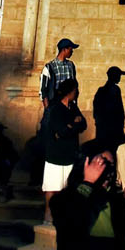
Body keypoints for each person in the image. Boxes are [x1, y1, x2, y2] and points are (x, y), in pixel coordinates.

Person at [51, 147, 125, 250]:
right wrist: (88, 182)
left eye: (111, 166)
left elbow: (122, 245)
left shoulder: (118, 202)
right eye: (102, 164)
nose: (108, 171)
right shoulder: (63, 199)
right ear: (85, 165)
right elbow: (68, 222)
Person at [38, 81, 87, 228]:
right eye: (76, 90)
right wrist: (73, 124)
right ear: (70, 91)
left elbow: (83, 124)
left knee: (68, 188)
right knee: (52, 188)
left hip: (70, 154)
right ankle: (48, 215)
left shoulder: (73, 107)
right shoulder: (56, 109)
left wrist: (71, 125)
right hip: (55, 154)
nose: (77, 92)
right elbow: (60, 131)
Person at [92, 67, 125, 151]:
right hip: (113, 130)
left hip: (103, 130)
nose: (119, 78)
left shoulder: (101, 91)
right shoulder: (115, 90)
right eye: (118, 75)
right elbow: (118, 111)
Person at [41, 39, 80, 111]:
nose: (72, 52)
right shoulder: (49, 67)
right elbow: (43, 91)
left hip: (69, 106)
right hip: (54, 105)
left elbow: (74, 86)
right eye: (70, 49)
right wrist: (48, 110)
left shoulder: (71, 65)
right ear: (64, 49)